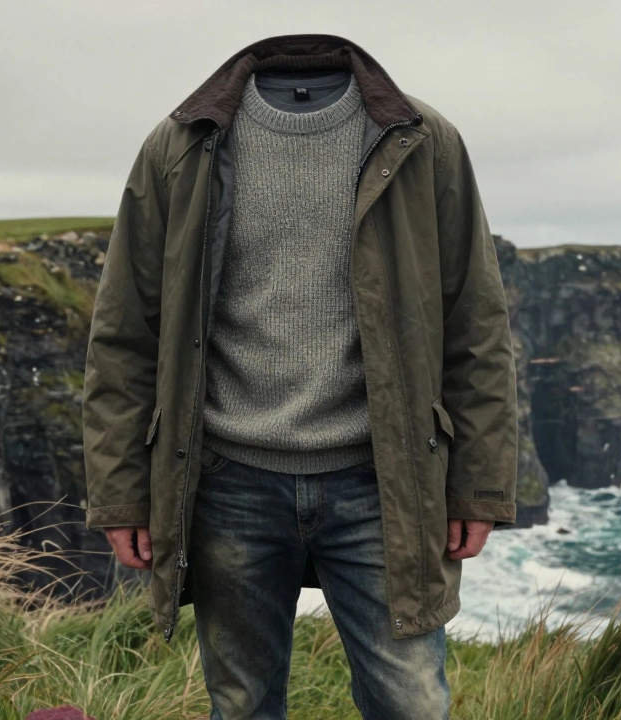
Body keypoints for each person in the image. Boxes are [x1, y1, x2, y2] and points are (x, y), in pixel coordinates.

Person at [82, 33, 519, 720]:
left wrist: (480, 487)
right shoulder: (179, 146)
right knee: (244, 706)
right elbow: (123, 334)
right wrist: (121, 495)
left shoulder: (424, 140)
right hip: (228, 484)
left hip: (387, 486)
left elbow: (476, 326)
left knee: (412, 706)